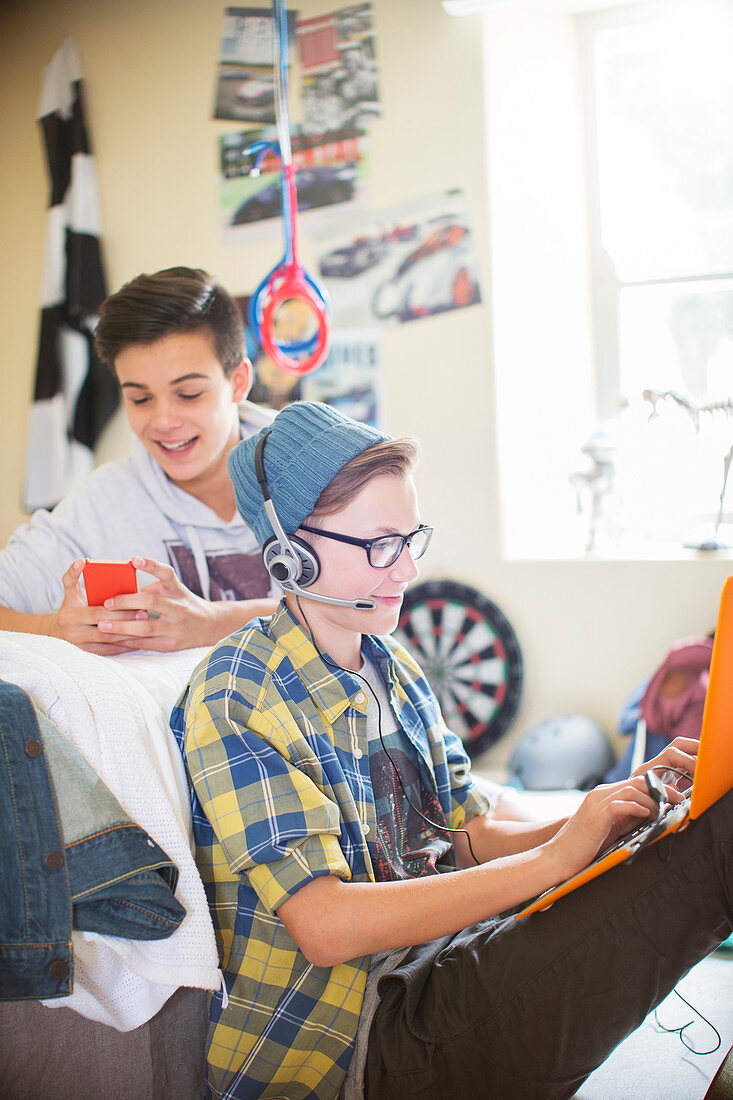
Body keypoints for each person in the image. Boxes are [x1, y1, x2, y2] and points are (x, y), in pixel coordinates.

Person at [171, 401, 733, 1100]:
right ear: (291, 554)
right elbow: (323, 925)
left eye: (411, 538)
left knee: (695, 824)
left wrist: (598, 815)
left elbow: (464, 835)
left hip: (458, 957)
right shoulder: (236, 691)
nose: (405, 568)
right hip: (363, 1040)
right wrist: (551, 860)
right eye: (379, 543)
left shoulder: (392, 665)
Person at [0, 267, 278, 655]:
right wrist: (53, 629)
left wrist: (214, 623)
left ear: (239, 381)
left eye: (189, 394)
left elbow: (372, 607)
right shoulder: (102, 502)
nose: (163, 422)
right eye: (140, 399)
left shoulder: (322, 469)